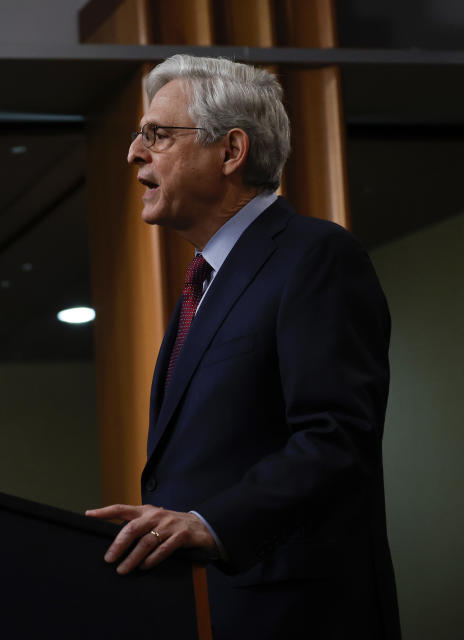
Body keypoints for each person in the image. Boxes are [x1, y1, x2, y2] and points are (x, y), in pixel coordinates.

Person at [85, 55, 400, 639]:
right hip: (207, 610)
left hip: (295, 617)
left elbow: (337, 436)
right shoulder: (202, 283)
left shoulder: (315, 257)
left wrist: (212, 523)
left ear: (231, 152)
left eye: (156, 134)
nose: (134, 152)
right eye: (138, 135)